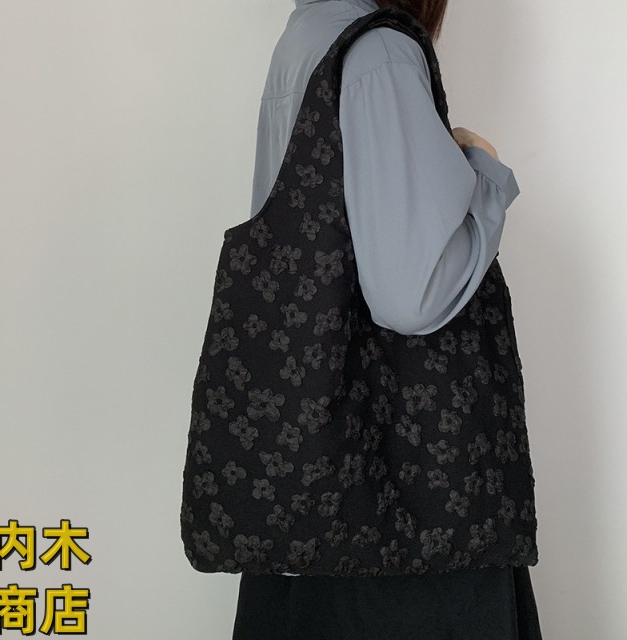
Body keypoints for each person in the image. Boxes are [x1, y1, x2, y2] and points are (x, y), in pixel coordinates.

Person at [231, 1, 543, 638]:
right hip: (407, 512)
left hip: (312, 487)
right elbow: (413, 295)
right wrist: (484, 171)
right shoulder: (380, 51)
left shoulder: (307, 31)